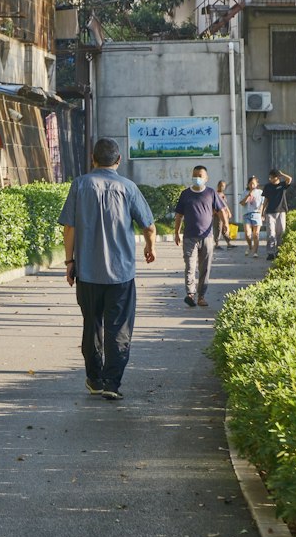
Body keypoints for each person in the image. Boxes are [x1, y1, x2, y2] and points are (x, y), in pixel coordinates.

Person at [58, 137, 156, 401]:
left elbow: (69, 228)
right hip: (121, 273)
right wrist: (150, 247)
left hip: (87, 273)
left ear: (93, 159)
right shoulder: (128, 187)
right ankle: (112, 383)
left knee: (92, 325)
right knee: (119, 328)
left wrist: (70, 262)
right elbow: (148, 225)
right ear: (119, 160)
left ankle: (95, 378)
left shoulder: (79, 185)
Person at [173, 166, 229, 308]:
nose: (197, 178)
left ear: (206, 178)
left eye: (200, 175)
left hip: (207, 237)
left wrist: (226, 224)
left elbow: (221, 210)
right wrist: (176, 233)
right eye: (194, 175)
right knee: (190, 266)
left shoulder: (211, 193)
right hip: (189, 237)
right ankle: (190, 294)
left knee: (205, 268)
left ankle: (201, 296)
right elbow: (179, 215)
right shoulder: (185, 194)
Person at [261, 167, 293, 259]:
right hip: (270, 212)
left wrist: (282, 174)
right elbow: (266, 199)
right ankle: (270, 252)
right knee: (271, 233)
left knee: (281, 232)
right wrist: (262, 211)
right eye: (269, 177)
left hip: (281, 211)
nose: (270, 179)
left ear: (276, 177)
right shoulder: (267, 186)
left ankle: (279, 251)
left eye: (271, 177)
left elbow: (289, 179)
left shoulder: (283, 185)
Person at [240, 177, 263, 257]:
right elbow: (242, 203)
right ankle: (250, 246)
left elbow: (263, 204)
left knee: (256, 234)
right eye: (250, 183)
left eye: (253, 183)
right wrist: (247, 196)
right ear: (248, 184)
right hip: (247, 214)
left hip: (256, 214)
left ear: (257, 184)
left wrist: (262, 213)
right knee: (248, 234)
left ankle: (255, 252)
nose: (252, 185)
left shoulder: (260, 192)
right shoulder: (244, 192)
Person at [213, 180, 229, 251]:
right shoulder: (216, 194)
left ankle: (229, 243)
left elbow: (225, 205)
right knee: (218, 229)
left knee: (224, 229)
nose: (222, 187)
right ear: (218, 185)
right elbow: (214, 205)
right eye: (221, 185)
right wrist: (216, 213)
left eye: (224, 186)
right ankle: (217, 244)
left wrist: (228, 212)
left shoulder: (223, 194)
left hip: (224, 214)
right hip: (218, 215)